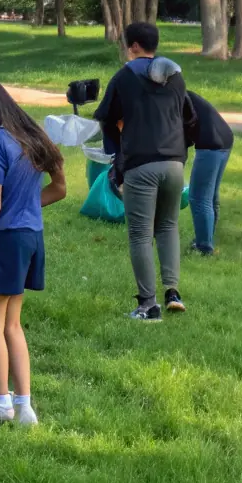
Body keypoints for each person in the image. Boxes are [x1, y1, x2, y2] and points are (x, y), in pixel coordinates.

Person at [0, 79, 66, 426]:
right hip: (31, 239)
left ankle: (1, 402)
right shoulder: (32, 136)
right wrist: (24, 208)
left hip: (2, 241)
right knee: (13, 326)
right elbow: (60, 188)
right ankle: (25, 407)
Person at [94, 22, 197, 322]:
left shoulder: (125, 76)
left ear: (135, 45)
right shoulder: (176, 77)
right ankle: (173, 292)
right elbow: (188, 116)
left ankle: (148, 306)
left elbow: (105, 116)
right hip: (175, 163)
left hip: (142, 164)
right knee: (168, 226)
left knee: (140, 235)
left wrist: (116, 153)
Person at [187, 90, 233, 255]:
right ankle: (206, 239)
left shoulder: (172, 100)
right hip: (225, 138)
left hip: (210, 143)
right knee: (211, 196)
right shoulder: (184, 93)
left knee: (198, 198)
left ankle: (204, 247)